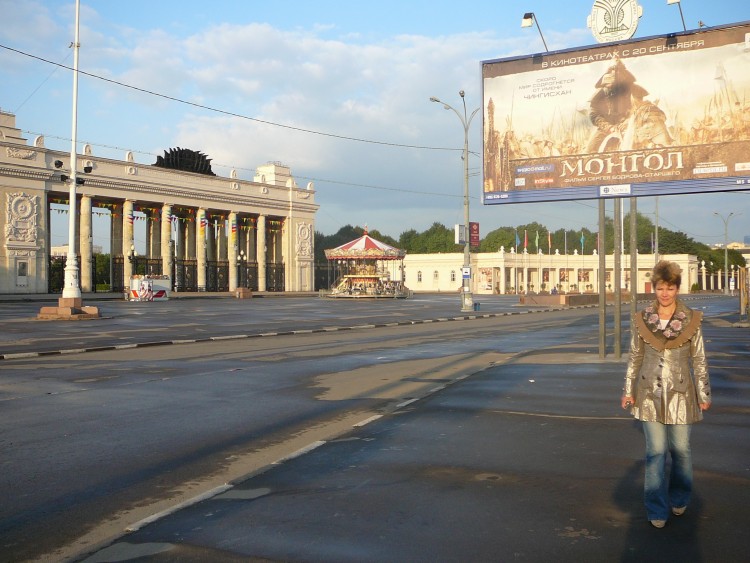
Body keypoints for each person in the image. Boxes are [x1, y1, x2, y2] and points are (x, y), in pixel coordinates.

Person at [621, 260, 711, 529]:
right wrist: (628, 390)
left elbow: (699, 358)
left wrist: (704, 392)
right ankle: (656, 507)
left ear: (677, 289)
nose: (665, 293)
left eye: (670, 288)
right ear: (654, 288)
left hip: (682, 392)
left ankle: (680, 496)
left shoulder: (691, 319)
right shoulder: (642, 319)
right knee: (656, 451)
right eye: (660, 287)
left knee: (681, 449)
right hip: (649, 392)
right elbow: (635, 356)